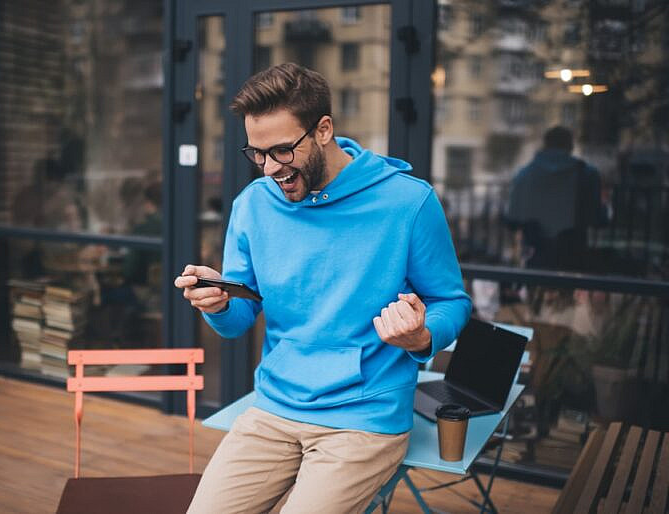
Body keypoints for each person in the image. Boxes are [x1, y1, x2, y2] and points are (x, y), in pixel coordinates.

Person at [175, 63, 471, 513]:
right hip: (273, 406)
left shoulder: (408, 202)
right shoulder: (253, 205)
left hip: (364, 417)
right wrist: (216, 304)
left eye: (281, 150)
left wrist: (423, 335)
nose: (270, 168)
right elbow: (238, 323)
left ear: (324, 130)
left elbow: (451, 301)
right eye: (256, 153)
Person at [506, 126, 607, 271]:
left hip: (536, 256)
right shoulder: (587, 174)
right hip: (573, 256)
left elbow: (512, 220)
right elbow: (597, 218)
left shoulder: (525, 174)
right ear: (570, 146)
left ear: (546, 145)